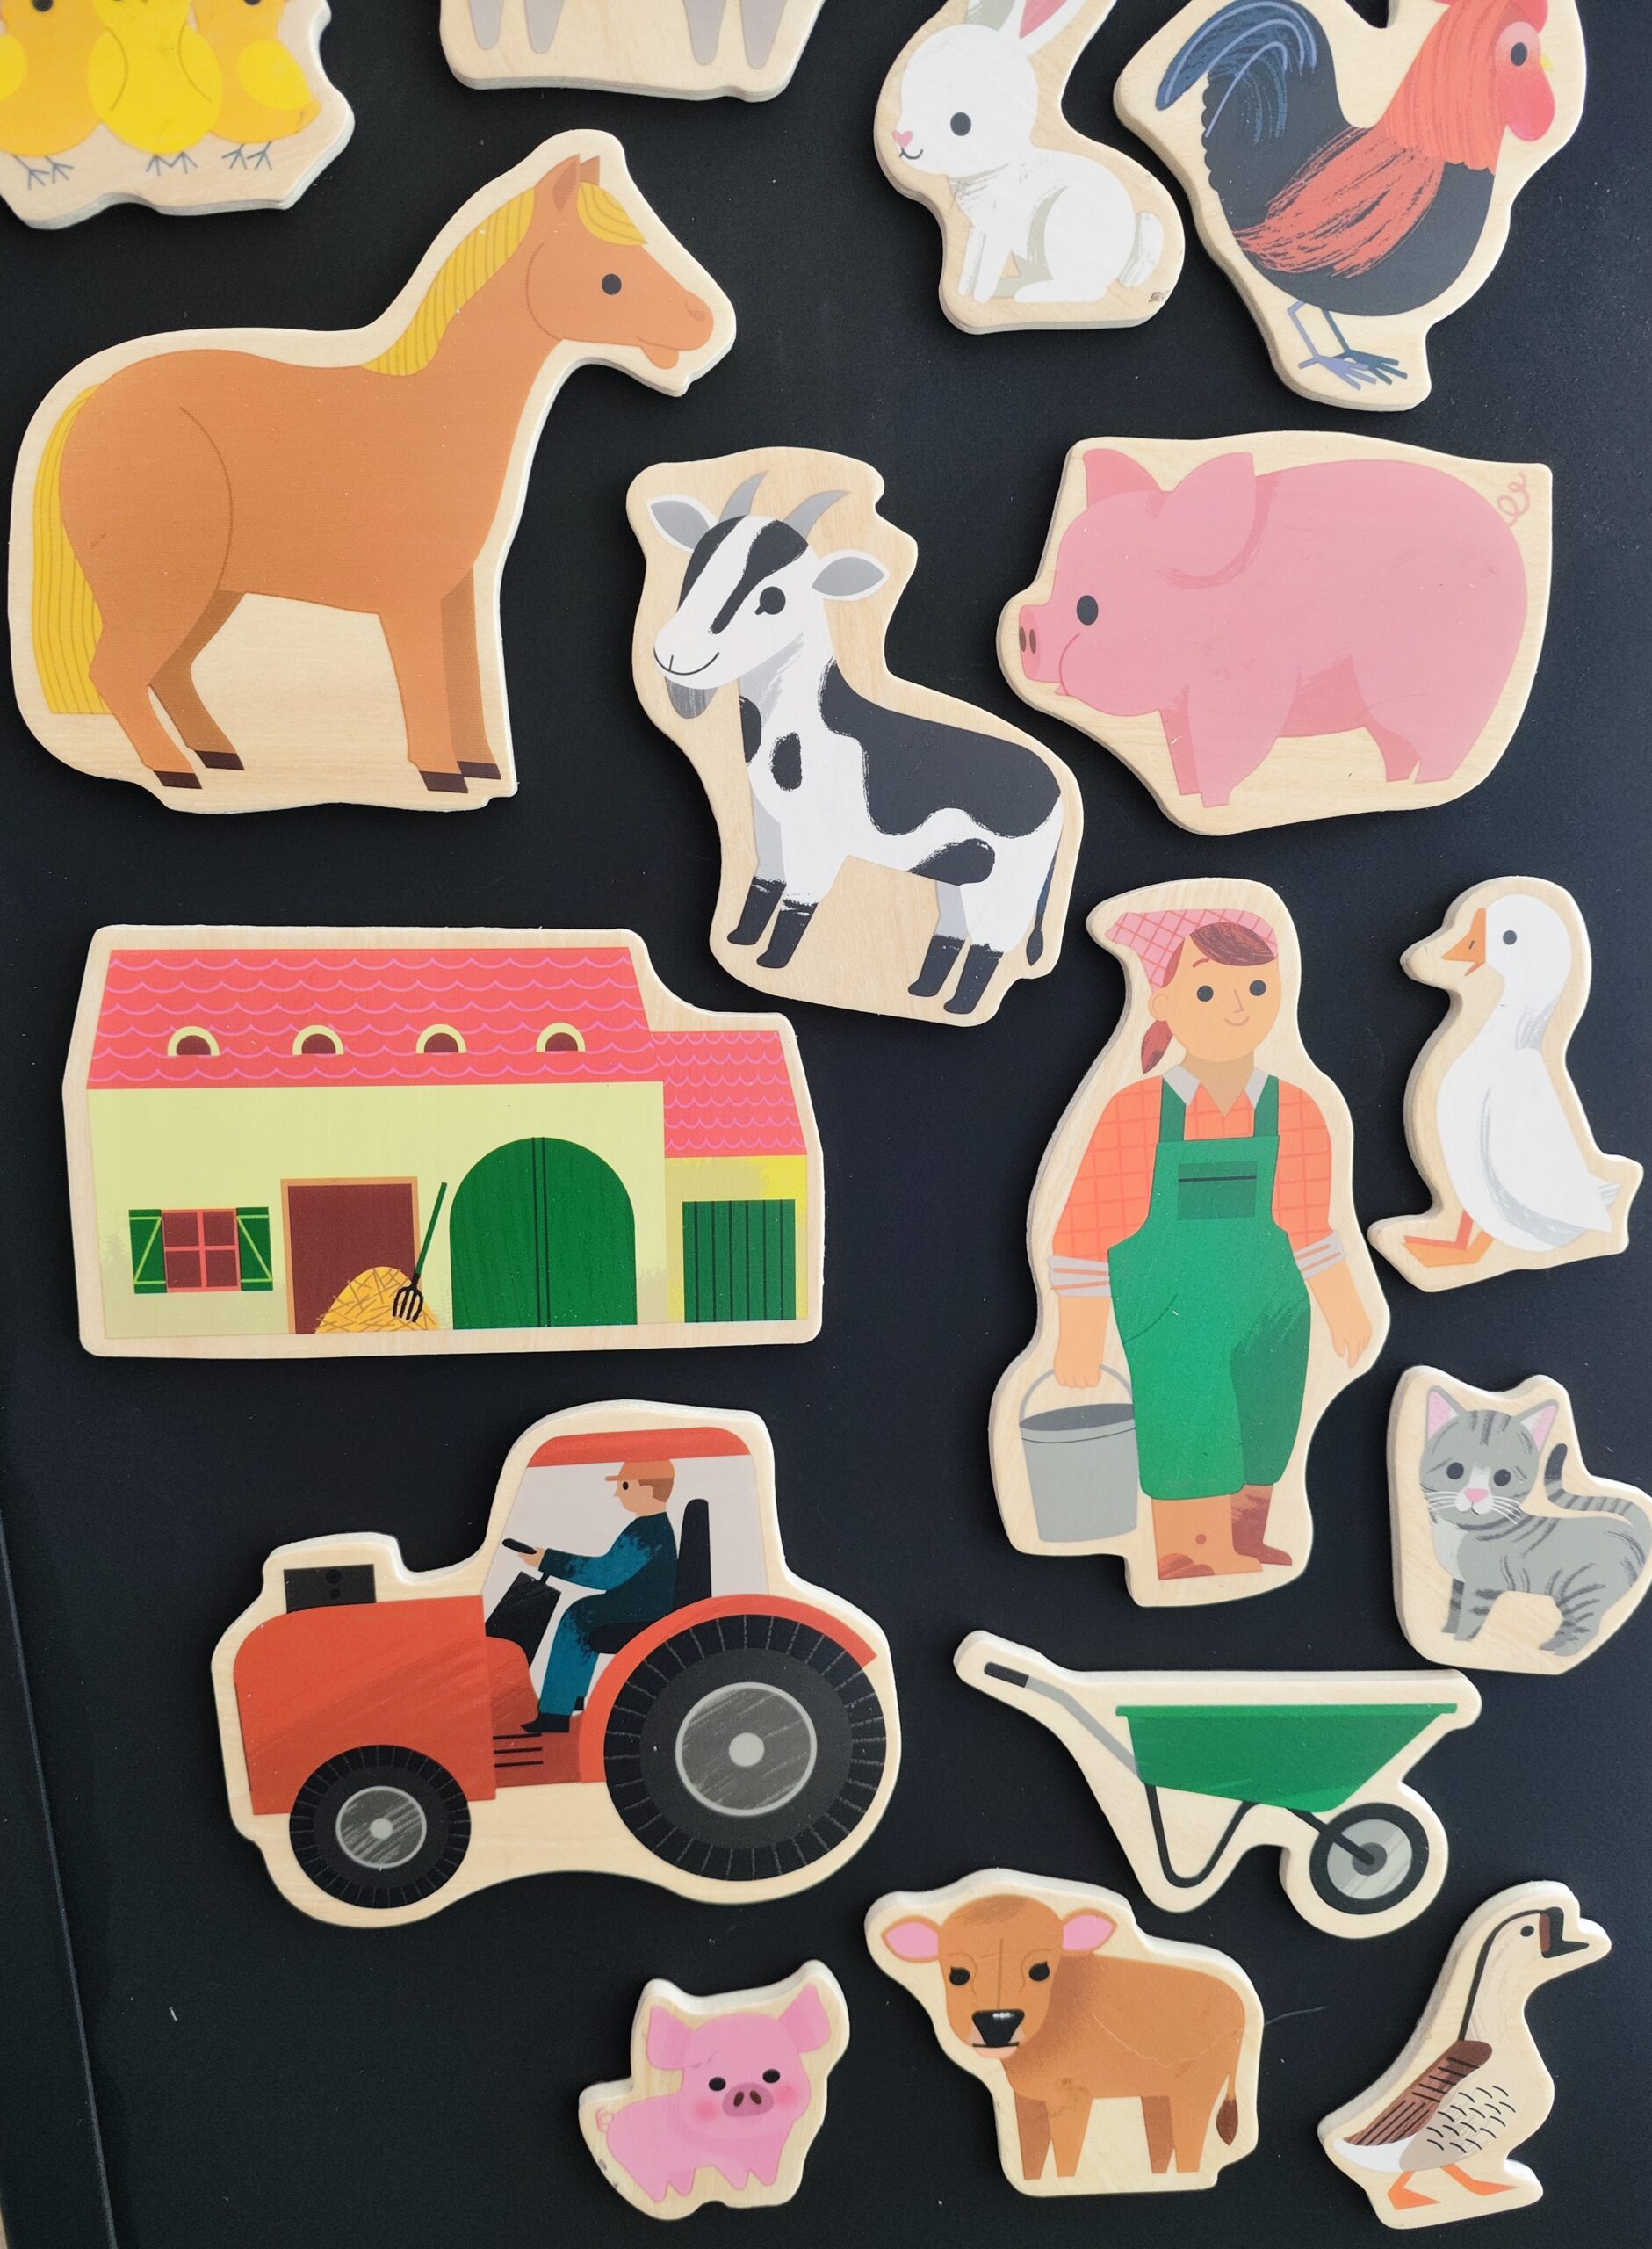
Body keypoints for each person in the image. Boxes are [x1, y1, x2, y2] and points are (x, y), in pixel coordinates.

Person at [1050, 908, 1374, 1581]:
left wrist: (1344, 1307)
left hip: (1273, 1306)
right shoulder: (1138, 1111)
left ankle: (1244, 1541)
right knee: (1191, 1420)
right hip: (1173, 1313)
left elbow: (1312, 1225)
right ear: (1163, 1002)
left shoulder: (1296, 1109)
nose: (1235, 1008)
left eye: (1255, 988)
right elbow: (1084, 1228)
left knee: (1264, 1420)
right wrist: (1077, 1335)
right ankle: (1184, 1552)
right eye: (1206, 990)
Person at [518, 1461, 679, 1733]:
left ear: (648, 1489)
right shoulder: (651, 1527)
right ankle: (566, 1703)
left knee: (578, 1619)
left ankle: (556, 1712)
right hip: (637, 1606)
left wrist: (547, 1560)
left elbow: (603, 1575)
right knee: (581, 1613)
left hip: (641, 1614)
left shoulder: (647, 1531)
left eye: (624, 1486)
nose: (618, 1493)